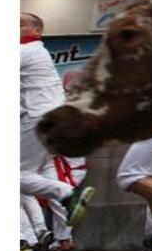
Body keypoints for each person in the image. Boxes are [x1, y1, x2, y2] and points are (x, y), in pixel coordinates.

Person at [20, 13, 96, 238]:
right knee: (26, 176)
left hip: (38, 118)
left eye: (20, 24)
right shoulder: (35, 51)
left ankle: (65, 194)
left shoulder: (29, 51)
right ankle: (37, 232)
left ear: (37, 31)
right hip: (47, 119)